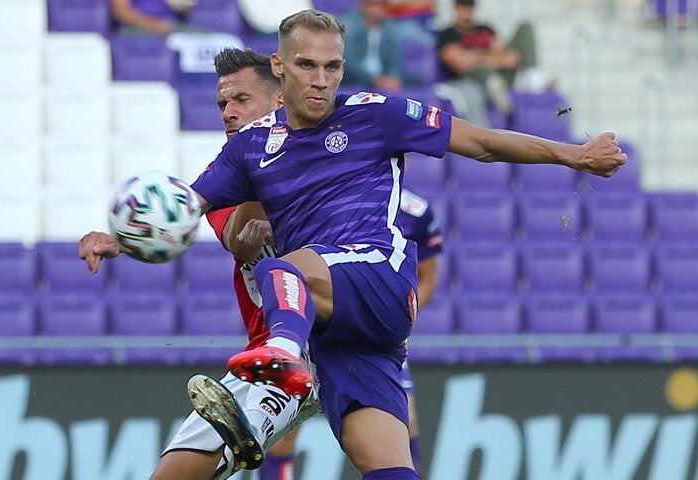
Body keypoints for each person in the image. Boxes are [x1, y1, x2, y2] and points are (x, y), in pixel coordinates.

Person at [87, 9, 624, 479]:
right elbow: (184, 209)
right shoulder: (250, 149)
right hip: (333, 331)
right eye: (306, 65)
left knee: (286, 272)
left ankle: (281, 361)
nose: (321, 80)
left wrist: (574, 155)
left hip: (376, 280)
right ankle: (290, 367)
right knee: (387, 466)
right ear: (281, 67)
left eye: (333, 66)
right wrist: (116, 240)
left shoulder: (375, 113)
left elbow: (481, 143)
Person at [82, 47, 320, 480]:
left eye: (241, 100)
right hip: (277, 354)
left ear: (279, 99)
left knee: (386, 461)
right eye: (222, 104)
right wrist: (122, 239)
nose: (228, 113)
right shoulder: (223, 177)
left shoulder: (337, 158)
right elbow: (233, 238)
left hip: (351, 342)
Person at [256, 185, 444, 477]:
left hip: (372, 325)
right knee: (286, 424)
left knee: (405, 420)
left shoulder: (414, 210)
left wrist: (397, 319)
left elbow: (428, 277)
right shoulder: (329, 192)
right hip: (315, 317)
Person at [436, 0, 548, 127]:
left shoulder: (486, 29)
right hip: (474, 79)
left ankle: (532, 76)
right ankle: (498, 92)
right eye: (463, 6)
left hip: (501, 74)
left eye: (469, 6)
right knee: (480, 69)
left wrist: (478, 57)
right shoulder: (448, 34)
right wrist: (491, 58)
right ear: (455, 9)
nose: (466, 11)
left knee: (525, 27)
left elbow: (509, 56)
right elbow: (461, 64)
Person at [340, 0, 407, 91]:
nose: (375, 9)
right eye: (372, 4)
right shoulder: (349, 25)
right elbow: (349, 61)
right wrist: (374, 80)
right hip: (354, 79)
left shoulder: (389, 26)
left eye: (380, 5)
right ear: (363, 4)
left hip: (383, 77)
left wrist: (394, 78)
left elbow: (395, 58)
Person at [111, 0, 195, 36]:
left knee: (200, 37)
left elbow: (186, 11)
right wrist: (151, 24)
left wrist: (182, 6)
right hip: (138, 28)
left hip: (172, 27)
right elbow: (120, 11)